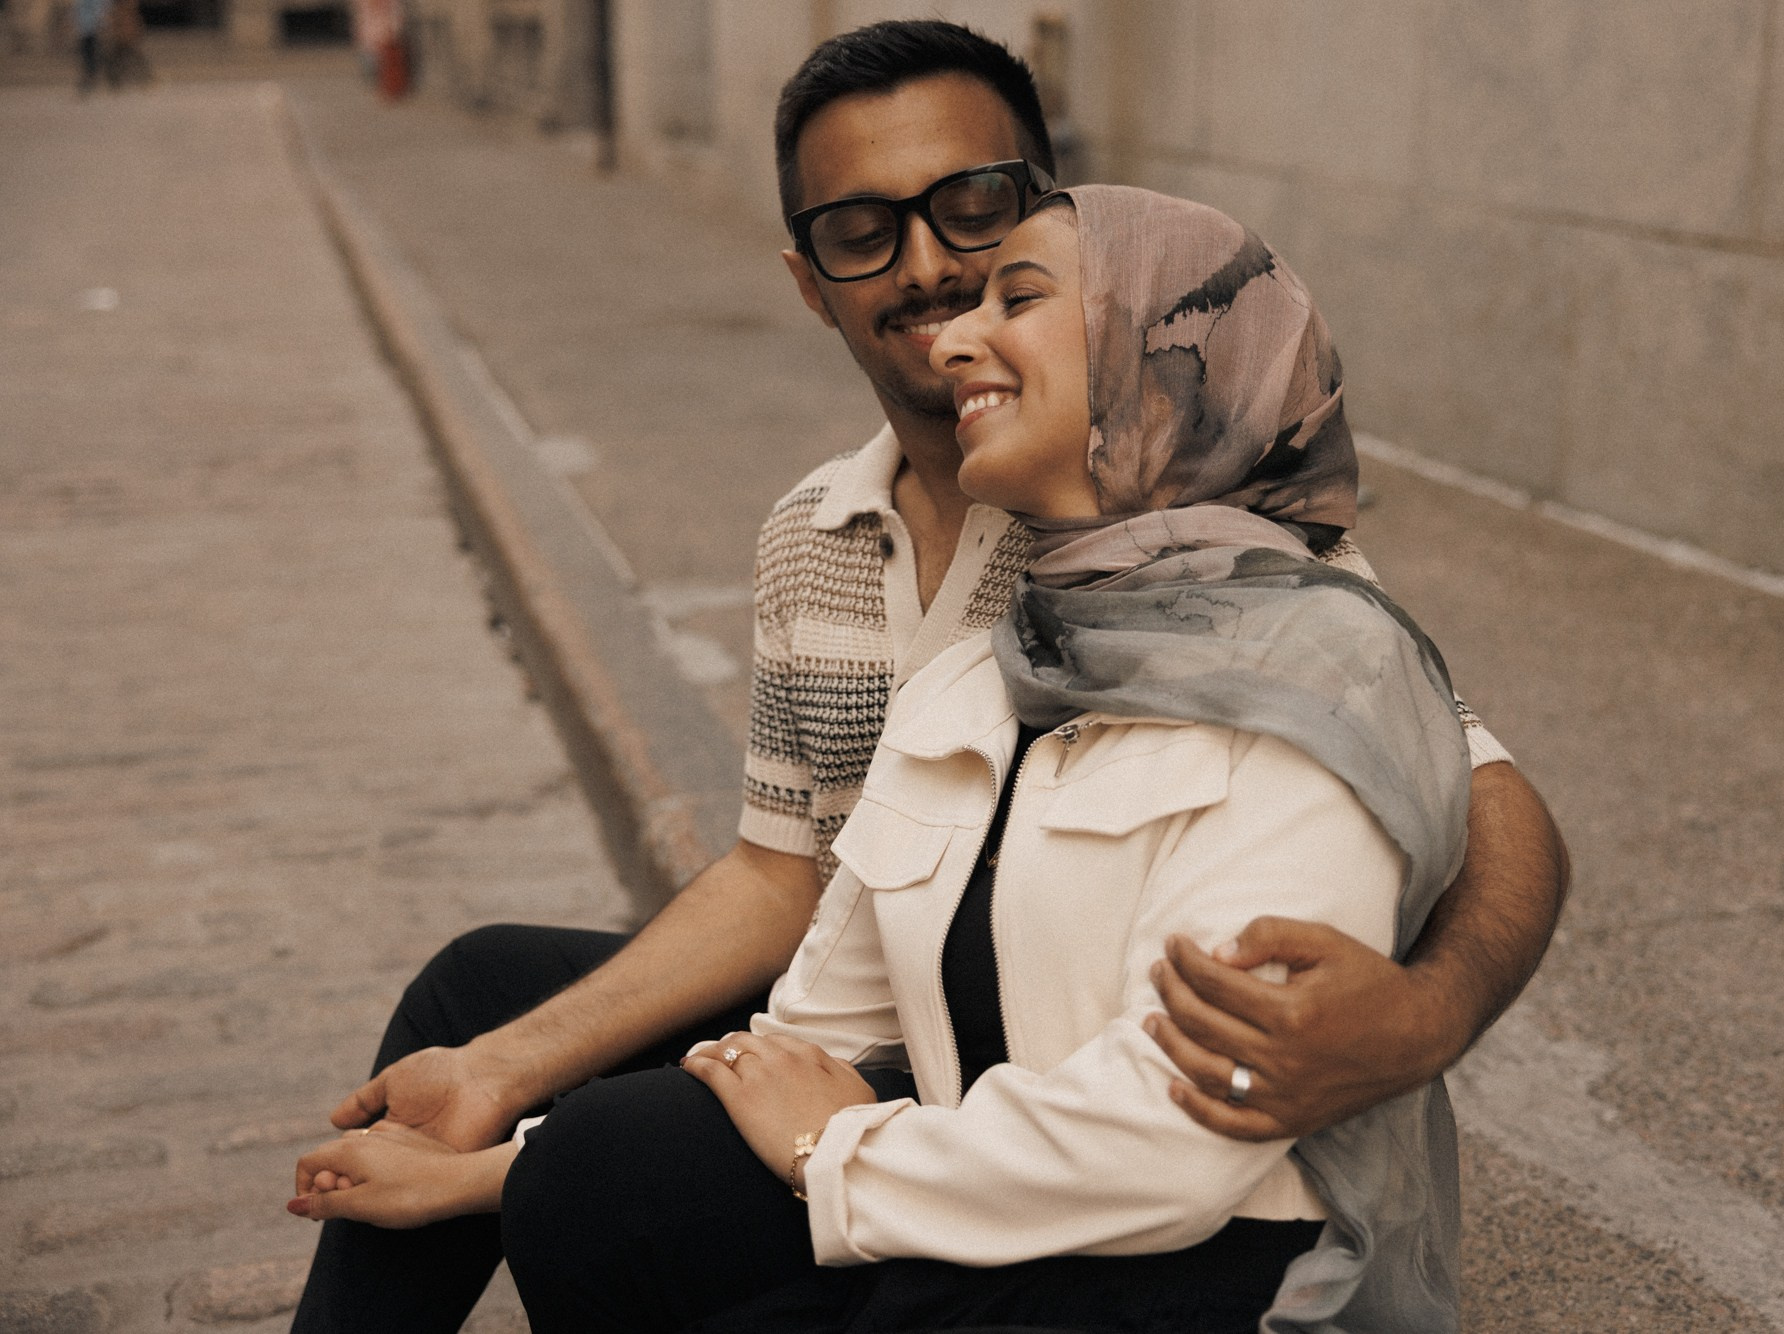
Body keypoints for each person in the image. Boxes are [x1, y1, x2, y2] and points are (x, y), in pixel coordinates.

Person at [286, 20, 1567, 1330]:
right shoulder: (819, 539)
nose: (930, 271)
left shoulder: (1223, 522)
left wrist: (1424, 1014)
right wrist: (504, 1088)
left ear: (1055, 214)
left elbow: (1477, 793)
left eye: (975, 213)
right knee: (489, 1004)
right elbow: (784, 879)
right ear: (810, 279)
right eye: (861, 229)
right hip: (905, 1003)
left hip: (1113, 1110)